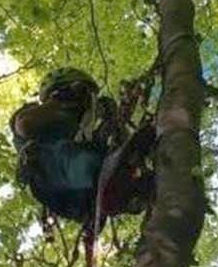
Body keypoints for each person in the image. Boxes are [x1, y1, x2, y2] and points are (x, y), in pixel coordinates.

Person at [10, 68, 151, 224]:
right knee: (56, 156)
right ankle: (112, 180)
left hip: (89, 191)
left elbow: (116, 140)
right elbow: (25, 124)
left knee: (103, 152)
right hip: (65, 184)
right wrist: (60, 104)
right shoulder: (31, 122)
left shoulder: (84, 129)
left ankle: (130, 188)